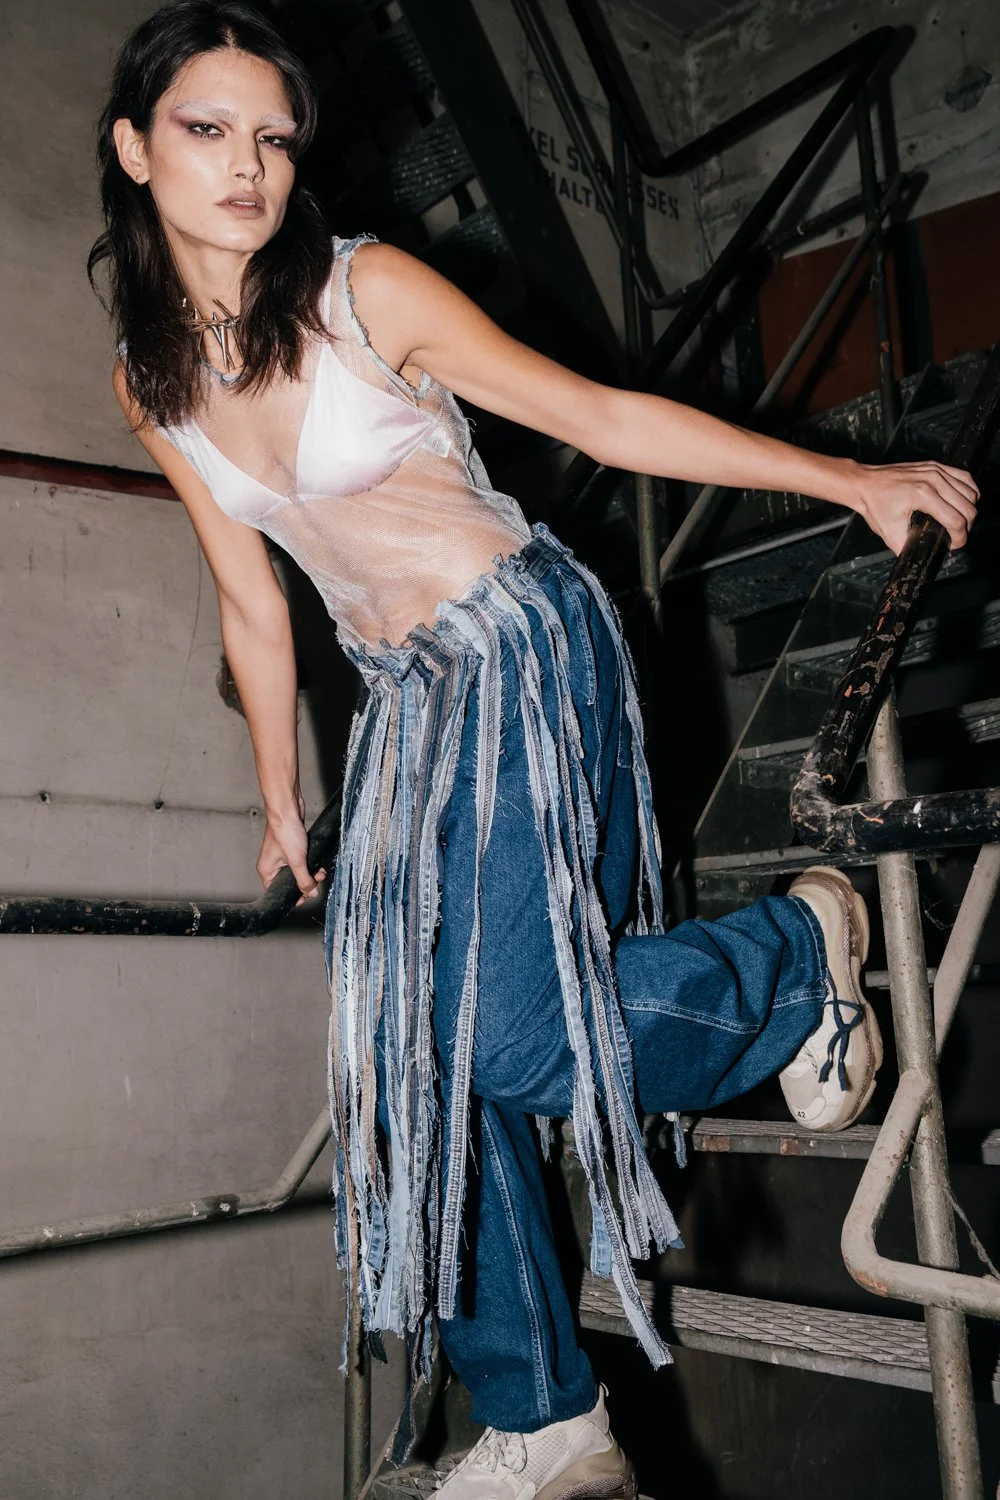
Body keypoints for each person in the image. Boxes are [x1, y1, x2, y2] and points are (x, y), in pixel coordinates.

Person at [92, 4, 979, 1495]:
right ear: (134, 147)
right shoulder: (154, 375)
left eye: (273, 135)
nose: (247, 164)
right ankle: (545, 1416)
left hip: (521, 647)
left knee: (509, 1037)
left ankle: (793, 954)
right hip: (401, 705)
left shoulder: (366, 293)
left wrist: (847, 477)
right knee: (406, 1061)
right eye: (206, 128)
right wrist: (276, 801)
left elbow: (599, 416)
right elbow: (251, 598)